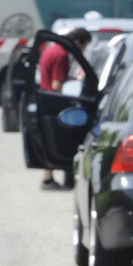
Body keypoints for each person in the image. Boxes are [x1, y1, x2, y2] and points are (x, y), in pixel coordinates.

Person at [39, 27, 92, 191]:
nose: (81, 51)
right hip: (54, 101)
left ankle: (47, 179)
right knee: (62, 139)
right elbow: (56, 85)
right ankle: (62, 178)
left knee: (47, 141)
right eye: (83, 47)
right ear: (77, 42)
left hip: (43, 97)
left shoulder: (52, 48)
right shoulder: (61, 55)